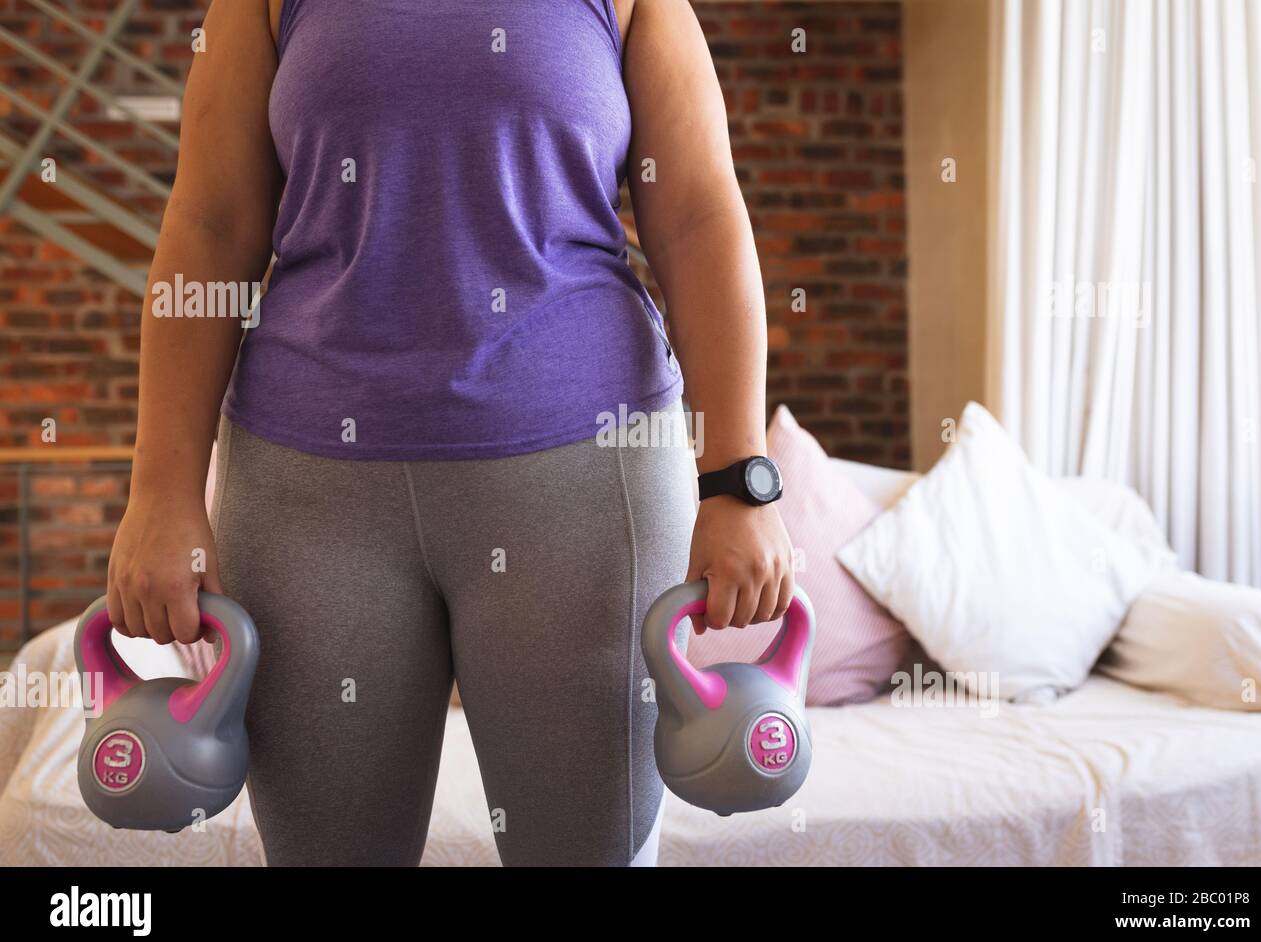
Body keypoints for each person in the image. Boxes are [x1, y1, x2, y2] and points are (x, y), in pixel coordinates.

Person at [106, 0, 793, 866]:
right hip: (309, 493)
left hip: (582, 482)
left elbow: (698, 217)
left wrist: (738, 479)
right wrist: (162, 492)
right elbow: (210, 226)